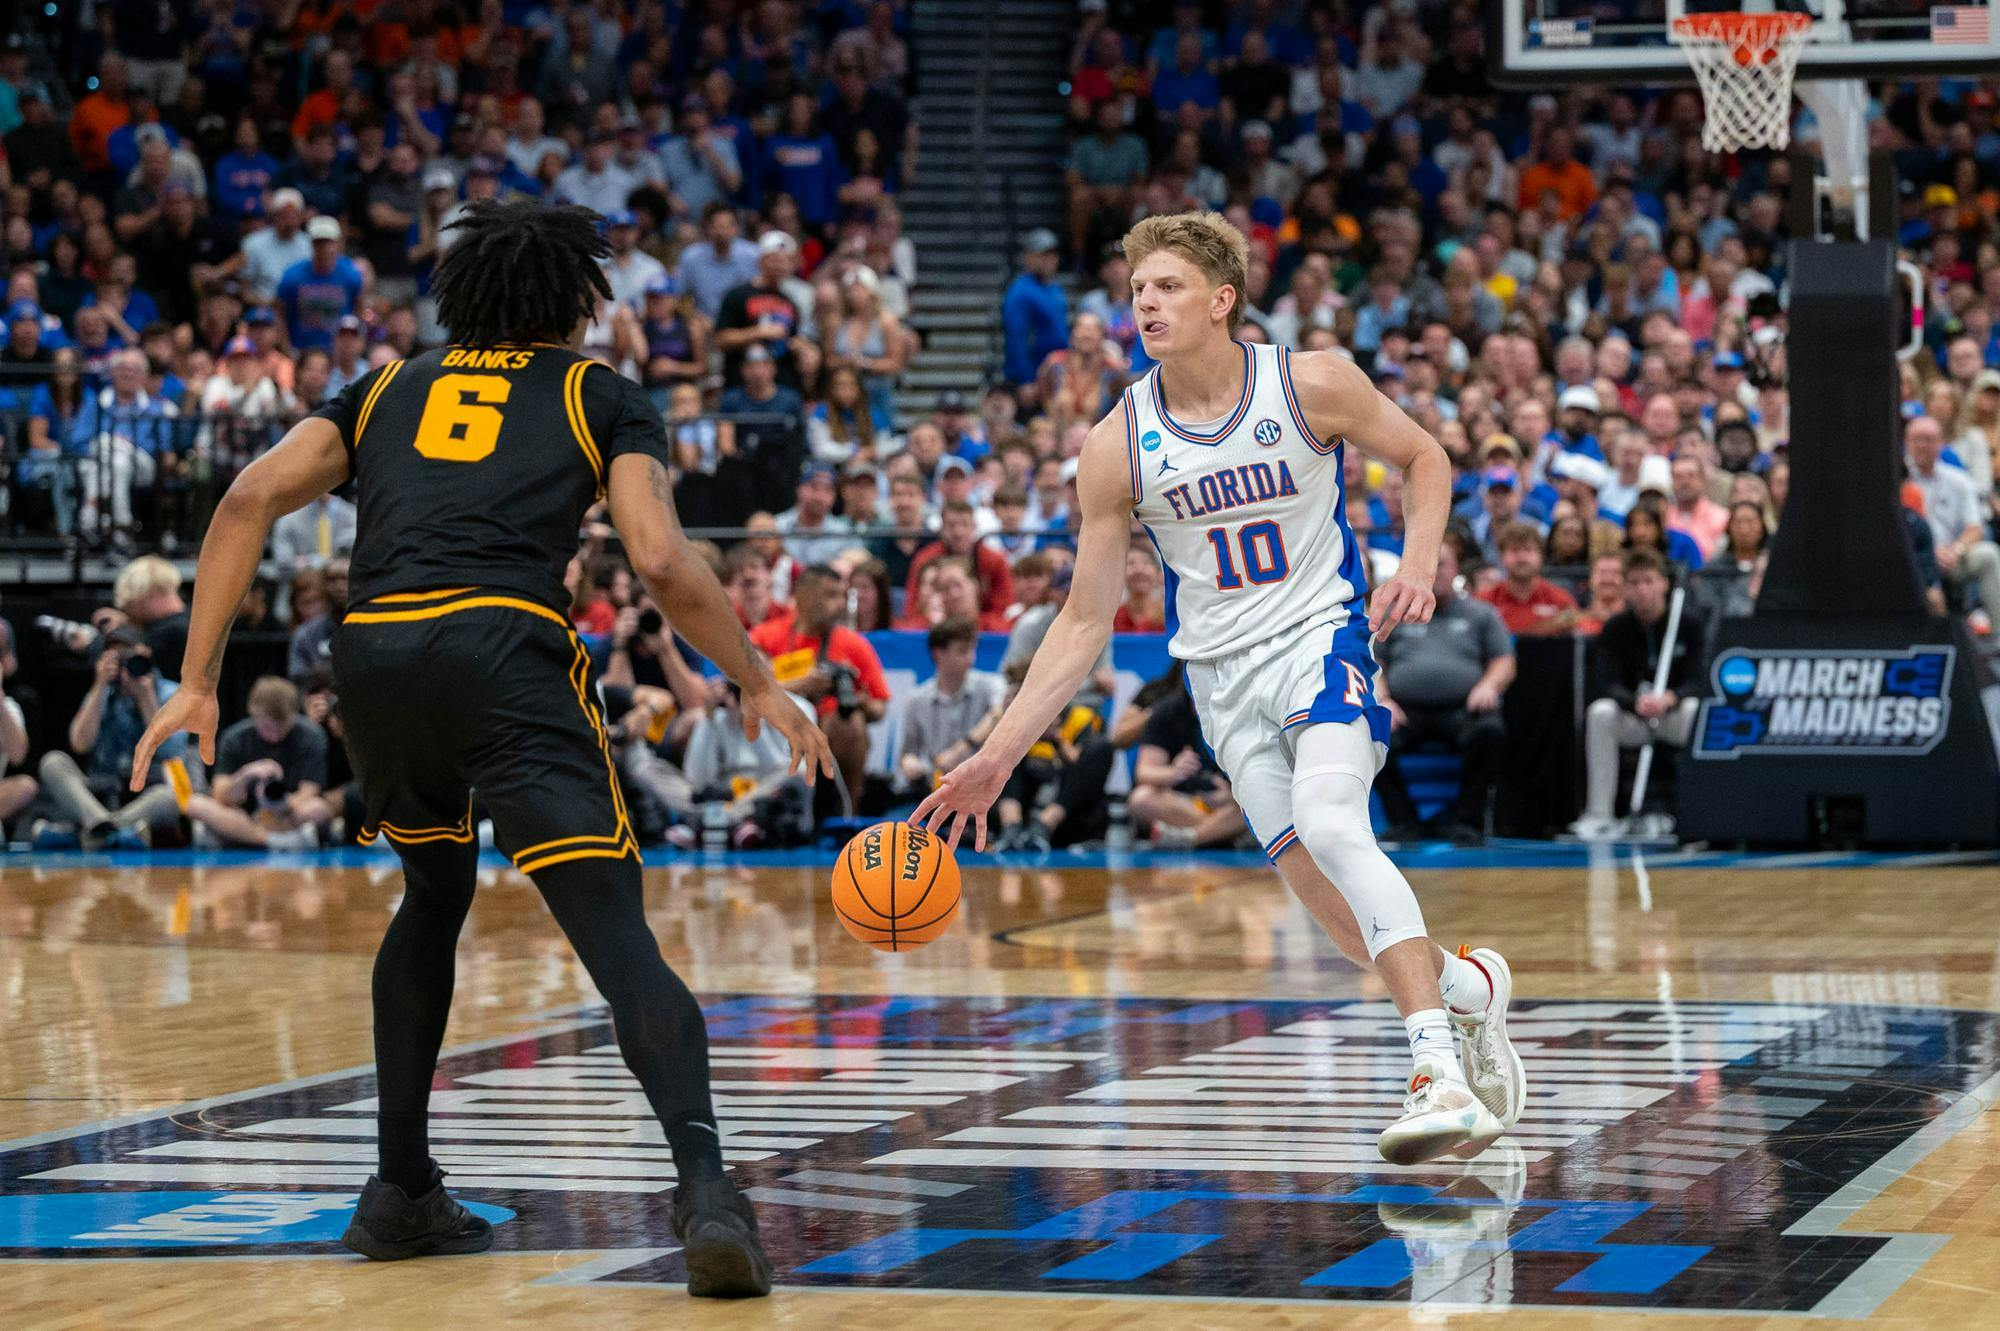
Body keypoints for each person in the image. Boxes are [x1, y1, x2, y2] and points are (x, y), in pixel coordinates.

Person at [130, 201, 830, 1298]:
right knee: (610, 926)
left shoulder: (385, 385)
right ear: (575, 304)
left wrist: (197, 679)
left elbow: (248, 495)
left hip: (372, 652)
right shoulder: (597, 393)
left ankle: (399, 1184)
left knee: (431, 892)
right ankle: (707, 1193)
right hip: (501, 643)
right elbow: (657, 556)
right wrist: (754, 674)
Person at [914, 211, 1522, 1164]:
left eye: (1164, 287)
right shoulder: (1118, 443)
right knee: (1330, 905)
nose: (1145, 303)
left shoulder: (1308, 380)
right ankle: (1469, 991)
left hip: (1322, 636)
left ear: (1220, 299)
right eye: (1136, 290)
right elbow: (1083, 619)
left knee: (1332, 820)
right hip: (1220, 679)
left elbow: (1425, 457)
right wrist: (995, 755)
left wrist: (1417, 561)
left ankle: (1436, 1069)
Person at [1372, 541, 1515, 841]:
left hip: (1463, 708)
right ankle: (1404, 822)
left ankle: (1467, 824)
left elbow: (1504, 661)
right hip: (1405, 710)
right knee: (1369, 731)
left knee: (1491, 731)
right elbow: (1375, 662)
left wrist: (1488, 685)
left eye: (1442, 564)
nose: (1434, 571)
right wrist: (1383, 699)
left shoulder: (1481, 614)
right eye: (1428, 564)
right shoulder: (1396, 613)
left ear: (1456, 570)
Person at [1572, 548, 1706, 840]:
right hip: (1635, 717)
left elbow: (1698, 679)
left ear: (1663, 583)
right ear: (1625, 588)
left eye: (1648, 581)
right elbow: (1606, 682)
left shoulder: (1688, 624)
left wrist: (1671, 698)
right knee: (1601, 713)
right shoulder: (1617, 628)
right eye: (1634, 582)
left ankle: (1700, 811)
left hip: (1673, 715)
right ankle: (1599, 814)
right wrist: (1635, 702)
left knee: (1697, 712)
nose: (1642, 589)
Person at [749, 562, 889, 805]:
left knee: (849, 723)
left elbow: (880, 708)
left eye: (842, 595)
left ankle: (847, 811)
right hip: (776, 728)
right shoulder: (766, 636)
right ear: (804, 596)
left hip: (827, 731)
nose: (840, 604)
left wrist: (862, 703)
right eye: (831, 595)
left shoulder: (853, 644)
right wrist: (802, 685)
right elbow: (749, 688)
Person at [181, 675, 327, 850]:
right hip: (240, 815)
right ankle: (273, 841)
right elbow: (220, 794)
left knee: (318, 809)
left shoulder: (311, 736)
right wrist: (246, 774)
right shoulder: (234, 738)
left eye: (282, 727)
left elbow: (309, 792)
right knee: (194, 804)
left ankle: (238, 836)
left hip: (284, 814)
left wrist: (282, 803)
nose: (275, 734)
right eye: (268, 727)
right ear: (253, 711)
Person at [895, 617, 1006, 801]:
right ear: (939, 653)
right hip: (935, 788)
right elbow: (907, 753)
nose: (971, 658)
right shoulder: (916, 700)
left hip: (983, 788)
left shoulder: (991, 685)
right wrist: (910, 763)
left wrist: (962, 748)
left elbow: (1000, 712)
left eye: (972, 650)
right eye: (962, 651)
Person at [1906, 414, 2000, 630]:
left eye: (1928, 439)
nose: (1922, 445)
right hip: (1913, 557)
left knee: (1988, 554)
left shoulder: (1958, 479)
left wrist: (1956, 550)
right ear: (1906, 443)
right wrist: (1929, 553)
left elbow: (1975, 528)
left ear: (1941, 444)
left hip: (1951, 556)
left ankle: (1997, 638)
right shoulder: (1899, 479)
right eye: (1916, 439)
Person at [1480, 521, 1579, 636]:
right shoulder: (1483, 602)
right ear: (1501, 557)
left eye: (1528, 550)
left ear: (1541, 556)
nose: (1522, 558)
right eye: (1514, 550)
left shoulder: (1561, 601)